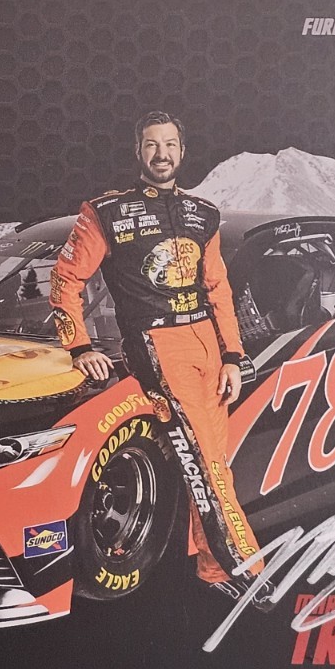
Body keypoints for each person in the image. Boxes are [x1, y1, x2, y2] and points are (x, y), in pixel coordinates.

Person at [50, 111, 264, 599]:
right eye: (152, 145)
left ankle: (213, 569)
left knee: (214, 463)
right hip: (158, 346)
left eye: (169, 145)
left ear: (182, 152)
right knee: (206, 466)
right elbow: (65, 280)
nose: (161, 154)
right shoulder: (105, 212)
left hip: (209, 348)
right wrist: (78, 346)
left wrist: (233, 355)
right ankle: (247, 571)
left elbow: (218, 289)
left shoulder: (203, 213)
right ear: (138, 151)